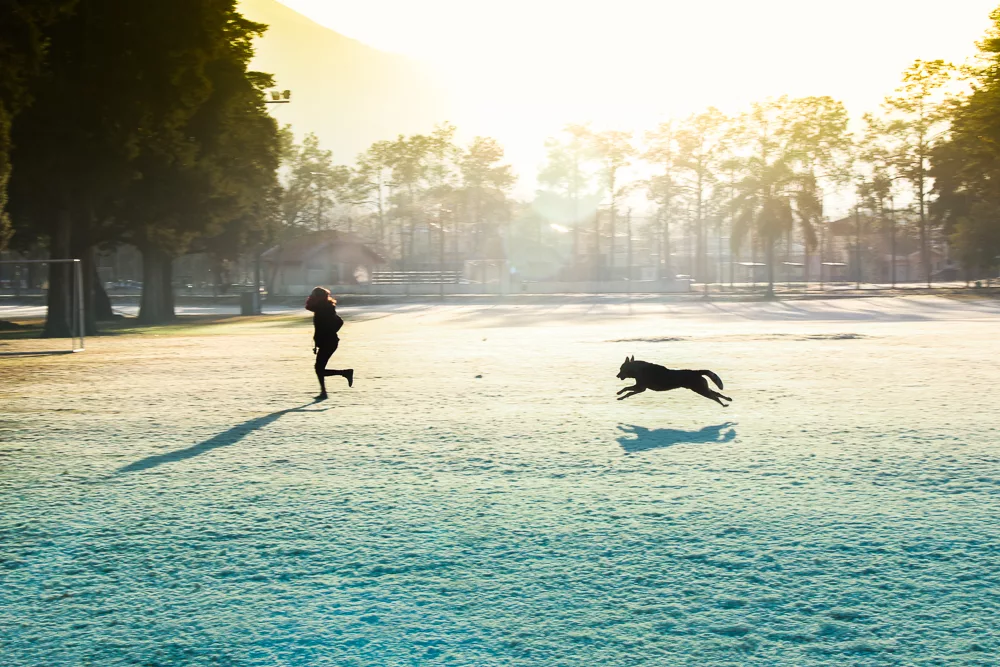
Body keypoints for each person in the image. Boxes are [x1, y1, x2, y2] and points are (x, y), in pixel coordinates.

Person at [304, 286, 353, 400]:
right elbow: (336, 322)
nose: (310, 297)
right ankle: (325, 391)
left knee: (319, 368)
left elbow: (339, 322)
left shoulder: (323, 309)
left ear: (318, 297)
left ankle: (344, 374)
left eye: (313, 295)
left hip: (329, 342)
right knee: (319, 368)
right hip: (327, 341)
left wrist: (329, 333)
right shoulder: (323, 308)